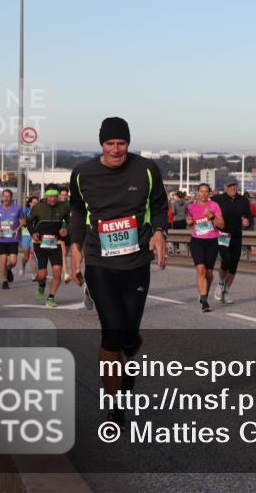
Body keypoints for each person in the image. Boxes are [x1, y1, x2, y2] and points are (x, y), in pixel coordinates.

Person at [68, 117, 169, 426]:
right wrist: (75, 248)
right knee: (111, 334)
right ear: (102, 144)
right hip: (100, 262)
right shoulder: (83, 173)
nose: (116, 149)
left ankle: (127, 351)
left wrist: (160, 232)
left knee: (127, 338)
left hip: (137, 262)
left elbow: (160, 205)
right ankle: (114, 406)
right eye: (110, 143)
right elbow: (76, 211)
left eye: (121, 143)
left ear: (128, 143)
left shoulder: (147, 169)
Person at [28, 184, 72, 307]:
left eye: (55, 196)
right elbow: (29, 222)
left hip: (55, 243)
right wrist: (33, 233)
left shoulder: (64, 207)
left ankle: (51, 298)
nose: (53, 199)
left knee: (57, 272)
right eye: (50, 196)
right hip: (40, 244)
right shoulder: (38, 207)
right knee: (42, 275)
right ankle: (41, 285)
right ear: (46, 196)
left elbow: (70, 221)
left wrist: (66, 229)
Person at [212, 182, 252, 304]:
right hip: (222, 235)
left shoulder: (243, 200)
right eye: (230, 186)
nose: (233, 188)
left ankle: (226, 292)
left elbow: (247, 216)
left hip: (236, 236)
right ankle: (220, 284)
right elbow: (207, 210)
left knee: (234, 265)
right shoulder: (218, 199)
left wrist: (247, 221)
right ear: (225, 187)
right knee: (226, 261)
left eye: (234, 186)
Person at [187, 183, 224, 312]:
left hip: (212, 241)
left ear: (209, 193)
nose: (203, 194)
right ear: (197, 193)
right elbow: (190, 220)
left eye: (206, 192)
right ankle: (204, 302)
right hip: (197, 241)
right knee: (201, 270)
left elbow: (222, 224)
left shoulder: (214, 206)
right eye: (201, 191)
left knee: (209, 274)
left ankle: (204, 293)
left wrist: (212, 216)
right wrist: (189, 221)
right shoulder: (191, 207)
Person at [0, 189, 24, 289]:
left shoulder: (17, 208)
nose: (6, 198)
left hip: (13, 239)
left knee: (13, 261)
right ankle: (4, 281)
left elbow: (23, 221)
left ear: (11, 197)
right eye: (4, 196)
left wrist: (18, 229)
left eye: (8, 196)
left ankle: (8, 269)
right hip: (1, 239)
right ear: (2, 197)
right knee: (3, 261)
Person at [19, 196, 39, 277]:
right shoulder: (26, 210)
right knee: (26, 257)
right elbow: (22, 222)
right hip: (26, 235)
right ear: (30, 203)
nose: (35, 204)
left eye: (37, 203)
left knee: (34, 254)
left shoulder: (40, 211)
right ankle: (23, 266)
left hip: (35, 235)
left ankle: (35, 274)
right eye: (33, 203)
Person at [170, 190, 189, 254]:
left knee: (175, 235)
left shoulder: (174, 203)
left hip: (176, 220)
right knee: (183, 235)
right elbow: (187, 212)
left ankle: (177, 249)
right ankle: (184, 249)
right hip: (183, 220)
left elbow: (173, 212)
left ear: (177, 196)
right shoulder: (186, 203)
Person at [243, 191, 256, 259]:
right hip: (251, 222)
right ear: (249, 197)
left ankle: (245, 250)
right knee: (250, 236)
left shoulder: (240, 204)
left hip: (243, 222)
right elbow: (255, 214)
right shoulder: (252, 205)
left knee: (243, 236)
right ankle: (252, 248)